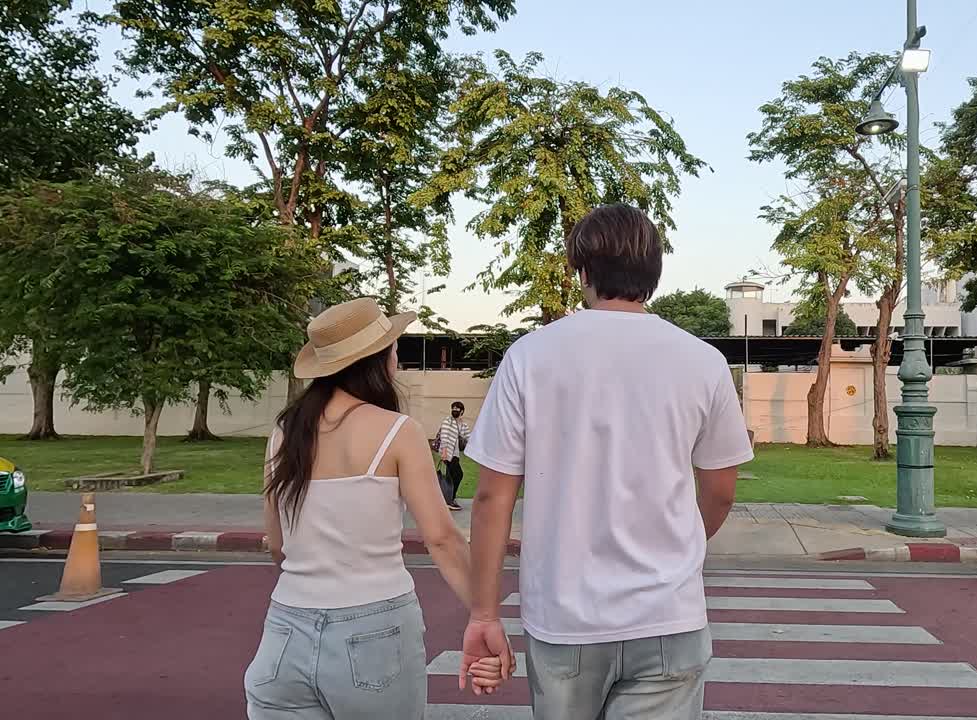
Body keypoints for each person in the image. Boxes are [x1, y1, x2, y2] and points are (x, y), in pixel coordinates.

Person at [457, 204, 754, 718]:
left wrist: (484, 612)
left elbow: (491, 497)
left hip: (564, 619)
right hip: (668, 614)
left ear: (583, 272)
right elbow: (721, 489)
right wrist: (679, 546)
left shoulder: (530, 355)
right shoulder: (703, 360)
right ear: (654, 274)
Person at [245, 297, 501, 719]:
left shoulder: (284, 433)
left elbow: (277, 544)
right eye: (394, 348)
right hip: (374, 628)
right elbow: (440, 538)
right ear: (378, 360)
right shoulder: (397, 432)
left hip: (285, 628)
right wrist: (484, 613)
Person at [437, 401, 471, 511]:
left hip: (455, 455)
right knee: (458, 474)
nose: (455, 410)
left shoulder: (463, 424)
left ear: (462, 411)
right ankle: (450, 500)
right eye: (453, 408)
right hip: (448, 453)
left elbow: (468, 437)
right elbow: (444, 435)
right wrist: (444, 451)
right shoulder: (448, 421)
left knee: (451, 476)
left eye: (457, 409)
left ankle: (448, 499)